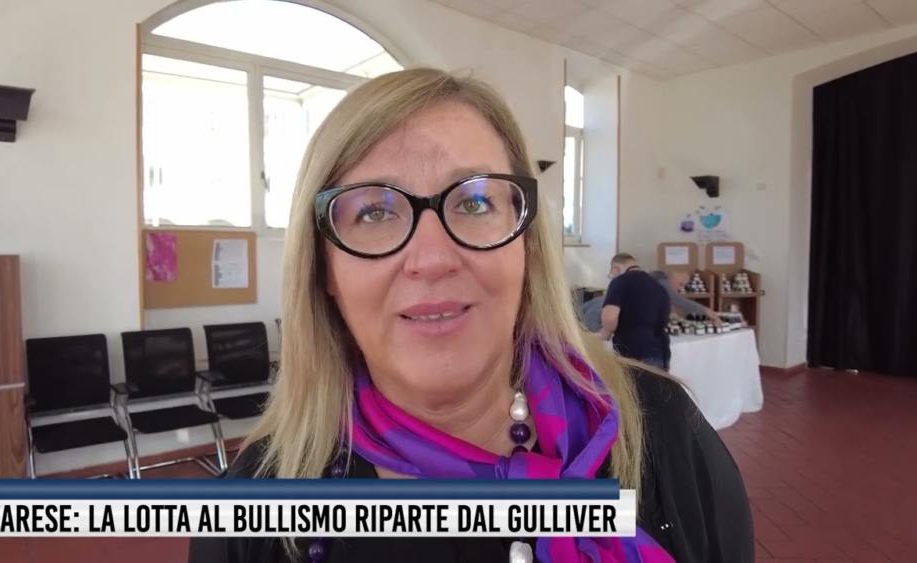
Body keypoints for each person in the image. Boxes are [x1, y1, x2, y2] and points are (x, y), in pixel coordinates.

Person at [189, 68, 752, 563]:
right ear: (324, 271)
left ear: (526, 246)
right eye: (375, 212)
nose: (433, 258)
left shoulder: (662, 430)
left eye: (475, 202)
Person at [579, 270, 720, 333]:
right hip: (599, 314)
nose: (680, 289)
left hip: (594, 307)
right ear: (671, 279)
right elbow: (678, 301)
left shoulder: (651, 278)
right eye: (680, 284)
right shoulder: (662, 283)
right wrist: (707, 311)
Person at [598, 254, 672, 370]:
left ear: (616, 268)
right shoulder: (658, 286)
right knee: (655, 382)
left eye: (612, 274)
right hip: (660, 353)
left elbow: (610, 317)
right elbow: (664, 319)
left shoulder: (620, 282)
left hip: (633, 353)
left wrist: (605, 333)